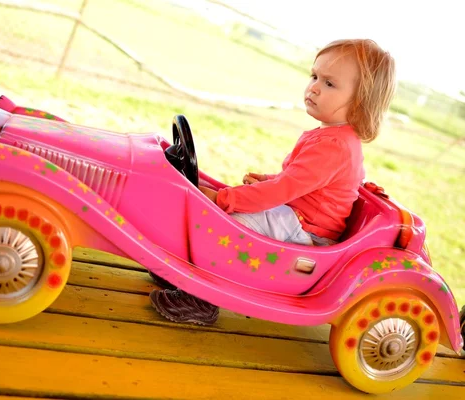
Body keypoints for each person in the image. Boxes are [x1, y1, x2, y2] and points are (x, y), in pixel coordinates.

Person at [149, 38, 397, 325]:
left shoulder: (335, 146)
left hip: (306, 232)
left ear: (360, 101)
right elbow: (302, 183)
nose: (314, 87)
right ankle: (184, 268)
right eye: (314, 76)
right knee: (231, 205)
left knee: (227, 226)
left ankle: (201, 299)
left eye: (329, 84)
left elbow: (283, 192)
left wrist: (225, 198)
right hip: (295, 217)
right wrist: (267, 181)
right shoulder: (330, 137)